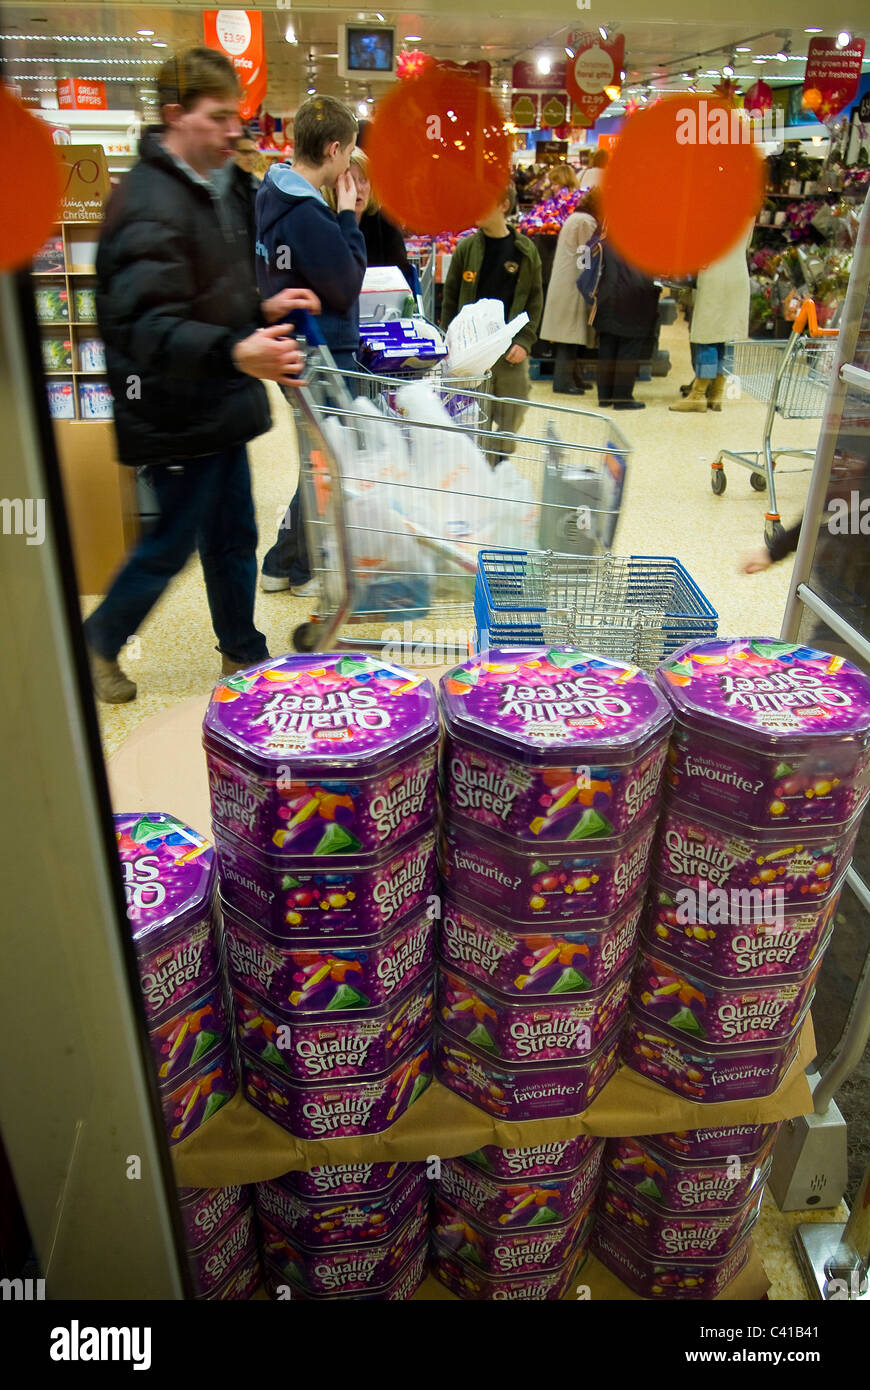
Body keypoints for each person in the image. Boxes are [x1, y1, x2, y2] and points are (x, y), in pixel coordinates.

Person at [83, 47, 309, 703]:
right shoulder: (146, 203)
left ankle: (242, 649)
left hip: (216, 403)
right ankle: (99, 639)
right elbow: (144, 328)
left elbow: (207, 291)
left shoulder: (215, 186)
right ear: (176, 116)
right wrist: (239, 352)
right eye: (219, 117)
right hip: (171, 408)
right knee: (171, 542)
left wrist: (260, 308)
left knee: (234, 533)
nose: (235, 130)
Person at [255, 95, 365, 595]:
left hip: (288, 344)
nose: (349, 166)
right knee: (326, 458)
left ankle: (283, 561)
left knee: (316, 455)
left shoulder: (270, 193)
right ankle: (301, 569)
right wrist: (347, 217)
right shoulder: (310, 214)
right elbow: (346, 285)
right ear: (335, 149)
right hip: (319, 351)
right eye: (349, 154)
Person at [441, 182, 543, 459]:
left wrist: (524, 341)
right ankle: (475, 466)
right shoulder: (466, 250)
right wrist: (447, 342)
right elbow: (450, 298)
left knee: (512, 409)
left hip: (509, 352)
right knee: (473, 414)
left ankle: (500, 463)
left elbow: (534, 301)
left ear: (503, 206)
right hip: (471, 353)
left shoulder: (525, 251)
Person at [670, 224, 752, 413]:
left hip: (715, 273)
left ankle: (698, 395)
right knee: (726, 336)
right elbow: (746, 243)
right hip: (738, 272)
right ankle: (716, 394)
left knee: (707, 335)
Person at [589, 235, 660, 410]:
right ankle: (622, 398)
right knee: (628, 352)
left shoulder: (605, 243)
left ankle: (604, 397)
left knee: (607, 349)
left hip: (607, 301)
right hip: (633, 303)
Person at [539, 189, 599, 395]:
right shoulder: (585, 222)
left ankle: (572, 377)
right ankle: (563, 382)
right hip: (573, 284)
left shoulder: (577, 217)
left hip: (566, 281)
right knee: (569, 334)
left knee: (570, 333)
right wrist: (592, 277)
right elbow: (586, 253)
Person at [328, 147, 412, 284]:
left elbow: (402, 276)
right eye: (350, 181)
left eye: (363, 180)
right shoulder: (324, 222)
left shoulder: (387, 225)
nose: (358, 188)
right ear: (333, 186)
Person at [218, 126, 259, 267]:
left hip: (253, 270)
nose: (250, 157)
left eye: (252, 152)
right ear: (233, 153)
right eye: (245, 152)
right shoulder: (221, 187)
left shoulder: (257, 186)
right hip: (230, 267)